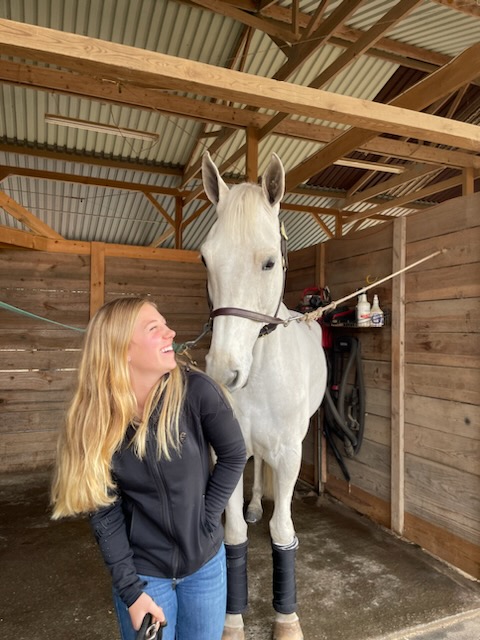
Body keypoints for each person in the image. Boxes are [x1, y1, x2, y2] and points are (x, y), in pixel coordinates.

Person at [51, 296, 246, 640]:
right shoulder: (93, 422)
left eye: (165, 324)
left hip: (205, 567)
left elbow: (234, 455)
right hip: (145, 576)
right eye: (155, 328)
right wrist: (131, 590)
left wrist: (205, 517)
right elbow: (103, 511)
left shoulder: (197, 392)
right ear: (122, 349)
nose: (171, 333)